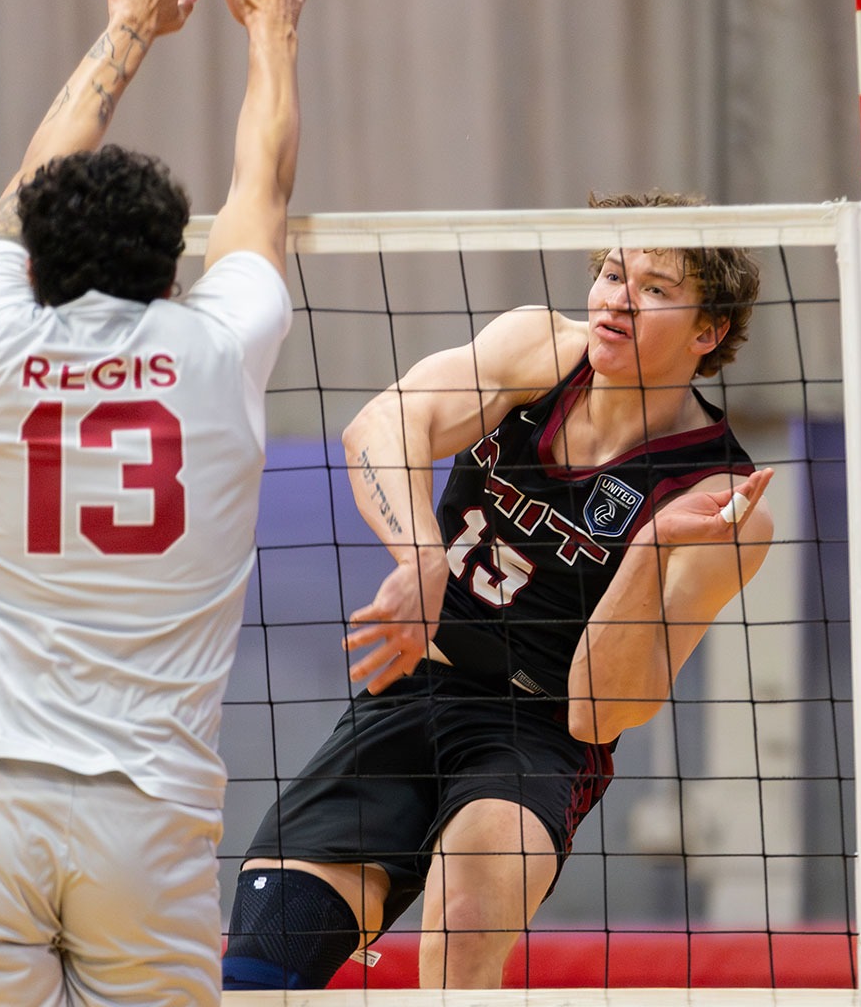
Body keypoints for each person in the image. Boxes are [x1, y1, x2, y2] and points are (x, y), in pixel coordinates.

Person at [224, 192, 778, 991]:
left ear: (709, 332)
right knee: (260, 964)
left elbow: (601, 712)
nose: (618, 299)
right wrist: (421, 559)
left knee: (464, 920)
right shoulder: (542, 350)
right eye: (613, 273)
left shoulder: (720, 499)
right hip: (410, 689)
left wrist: (651, 550)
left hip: (537, 737)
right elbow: (379, 426)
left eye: (655, 288)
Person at [0, 0, 304, 1003]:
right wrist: (271, 30)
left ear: (29, 265)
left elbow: (26, 187)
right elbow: (260, 184)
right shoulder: (217, 351)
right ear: (177, 263)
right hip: (149, 807)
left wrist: (126, 29)